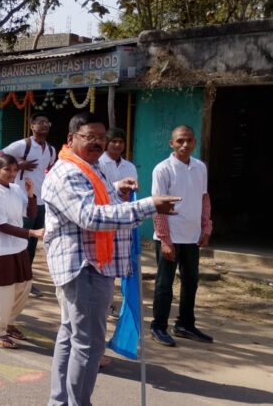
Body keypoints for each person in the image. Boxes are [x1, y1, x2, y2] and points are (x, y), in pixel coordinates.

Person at [44, 112, 179, 406]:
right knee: (89, 343)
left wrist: (116, 189)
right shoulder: (68, 172)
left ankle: (60, 402)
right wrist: (148, 206)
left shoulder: (90, 168)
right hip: (84, 266)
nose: (97, 143)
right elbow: (89, 216)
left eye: (101, 138)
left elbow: (97, 200)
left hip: (95, 264)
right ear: (71, 139)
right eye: (89, 137)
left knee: (72, 335)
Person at [150, 125, 214, 347]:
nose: (185, 145)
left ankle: (185, 324)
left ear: (195, 142)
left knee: (191, 281)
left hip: (192, 236)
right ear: (172, 143)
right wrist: (165, 240)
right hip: (170, 236)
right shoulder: (163, 169)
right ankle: (158, 326)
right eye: (180, 141)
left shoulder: (200, 167)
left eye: (189, 140)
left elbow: (204, 199)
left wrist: (206, 228)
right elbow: (158, 206)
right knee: (164, 284)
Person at [0, 154, 41, 348]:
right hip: (0, 248)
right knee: (3, 292)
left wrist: (31, 195)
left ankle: (9, 322)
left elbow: (30, 214)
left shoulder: (16, 189)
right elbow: (1, 226)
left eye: (15, 170)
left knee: (24, 287)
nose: (11, 173)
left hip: (19, 246)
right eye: (7, 169)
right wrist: (31, 233)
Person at [2, 112, 56, 297]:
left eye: (46, 122)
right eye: (40, 122)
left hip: (40, 202)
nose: (44, 124)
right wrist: (18, 165)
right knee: (20, 240)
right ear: (32, 126)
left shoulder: (51, 150)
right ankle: (14, 278)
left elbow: (49, 172)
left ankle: (25, 279)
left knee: (32, 243)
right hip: (21, 200)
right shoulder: (22, 145)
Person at [99, 128, 138, 200]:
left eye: (121, 142)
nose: (117, 144)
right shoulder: (98, 163)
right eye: (114, 141)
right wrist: (119, 186)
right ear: (106, 143)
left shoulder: (130, 166)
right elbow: (98, 189)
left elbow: (132, 191)